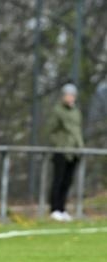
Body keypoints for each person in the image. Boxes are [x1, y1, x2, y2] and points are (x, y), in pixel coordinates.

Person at [47, 83, 84, 222]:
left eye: (72, 95)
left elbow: (77, 131)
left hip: (74, 152)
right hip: (61, 151)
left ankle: (62, 209)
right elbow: (51, 130)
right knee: (58, 180)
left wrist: (79, 146)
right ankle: (54, 209)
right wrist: (59, 145)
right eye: (67, 95)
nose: (70, 98)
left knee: (67, 182)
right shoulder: (58, 111)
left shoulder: (76, 112)